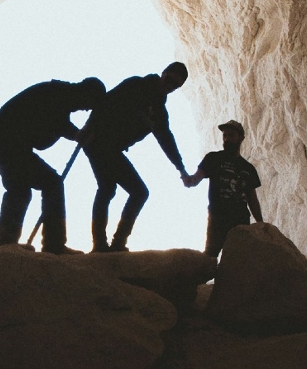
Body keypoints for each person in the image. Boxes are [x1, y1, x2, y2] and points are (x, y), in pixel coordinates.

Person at [0, 77, 106, 254]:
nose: (88, 108)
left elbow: (54, 127)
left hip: (3, 141)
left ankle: (4, 243)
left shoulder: (60, 94)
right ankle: (53, 244)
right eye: (91, 103)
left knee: (19, 190)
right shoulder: (59, 95)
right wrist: (77, 134)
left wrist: (76, 134)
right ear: (86, 93)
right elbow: (58, 124)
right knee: (51, 183)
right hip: (7, 142)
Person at [82, 62, 191, 252]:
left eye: (176, 86)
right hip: (99, 140)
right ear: (162, 73)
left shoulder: (158, 113)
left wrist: (181, 169)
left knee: (109, 188)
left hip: (110, 147)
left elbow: (166, 141)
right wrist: (88, 129)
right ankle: (111, 244)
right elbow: (105, 104)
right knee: (135, 191)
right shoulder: (136, 85)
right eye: (170, 80)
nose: (170, 86)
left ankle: (105, 244)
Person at [183, 120, 264, 259]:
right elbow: (196, 178)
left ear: (241, 138)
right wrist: (189, 180)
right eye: (224, 136)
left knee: (239, 260)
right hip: (218, 218)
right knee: (210, 256)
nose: (226, 139)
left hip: (240, 221)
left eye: (231, 135)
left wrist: (261, 224)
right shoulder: (213, 158)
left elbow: (252, 199)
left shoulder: (248, 169)